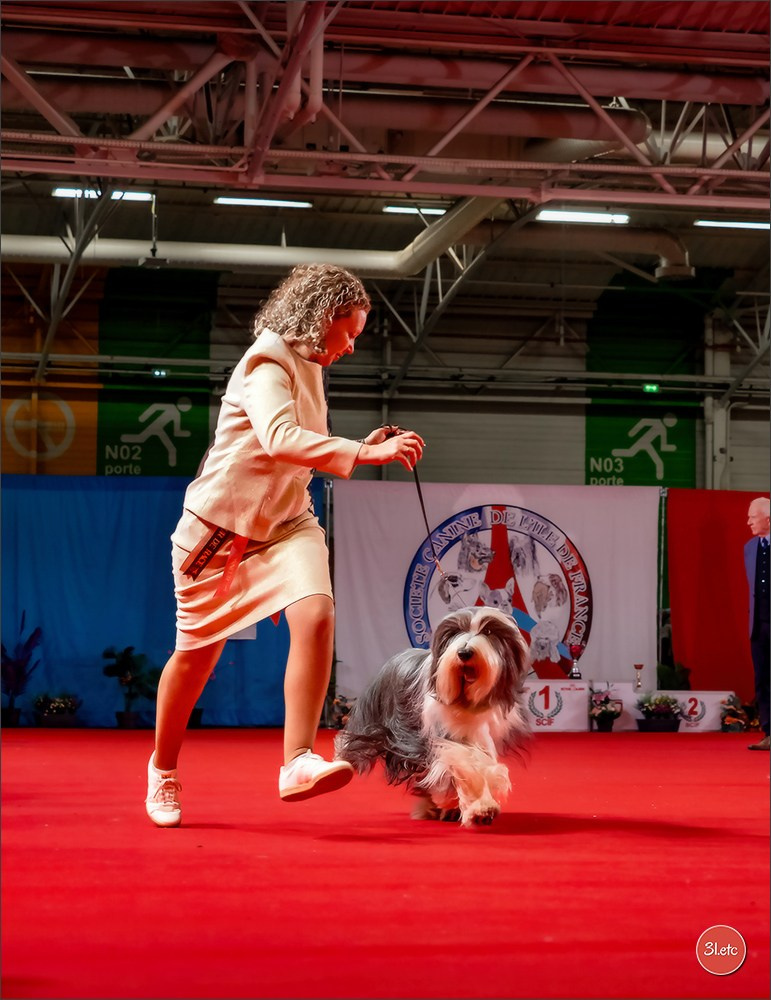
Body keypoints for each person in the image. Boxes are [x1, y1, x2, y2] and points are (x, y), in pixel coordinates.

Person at [145, 264, 425, 826]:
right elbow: (277, 438)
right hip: (217, 537)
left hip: (286, 523)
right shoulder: (266, 360)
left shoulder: (312, 363)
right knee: (195, 663)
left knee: (317, 614)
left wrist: (355, 444)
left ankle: (297, 759)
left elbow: (305, 446)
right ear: (322, 317)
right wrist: (360, 454)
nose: (349, 346)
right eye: (349, 332)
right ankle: (163, 771)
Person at [744, 496, 770, 751]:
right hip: (758, 626)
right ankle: (769, 732)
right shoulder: (750, 547)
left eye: (753, 516)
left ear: (768, 519)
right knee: (762, 679)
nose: (748, 521)